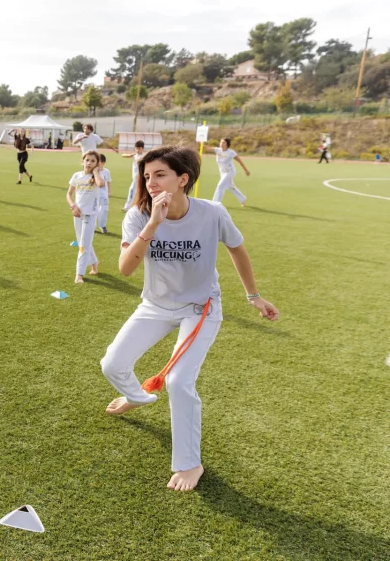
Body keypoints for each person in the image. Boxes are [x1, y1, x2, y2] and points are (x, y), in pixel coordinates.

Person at [100, 146, 279, 492]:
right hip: (155, 305)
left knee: (179, 382)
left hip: (200, 307)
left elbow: (237, 249)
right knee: (111, 364)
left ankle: (189, 463)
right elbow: (125, 269)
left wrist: (254, 297)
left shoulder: (212, 213)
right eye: (147, 175)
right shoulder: (138, 215)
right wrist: (153, 222)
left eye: (160, 174)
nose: (150, 182)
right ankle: (137, 396)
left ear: (183, 179)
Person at [67, 152, 105, 282]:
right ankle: (94, 263)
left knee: (83, 244)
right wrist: (73, 206)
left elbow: (100, 184)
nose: (89, 163)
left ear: (97, 164)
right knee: (84, 243)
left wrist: (95, 172)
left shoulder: (97, 176)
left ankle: (79, 275)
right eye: (87, 160)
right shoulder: (76, 175)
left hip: (90, 215)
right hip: (77, 214)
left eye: (92, 161)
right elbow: (69, 194)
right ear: (82, 161)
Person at [205, 138, 249, 206]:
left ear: (227, 144)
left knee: (220, 186)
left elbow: (239, 161)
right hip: (222, 172)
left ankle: (215, 203)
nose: (221, 144)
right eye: (221, 142)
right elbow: (206, 148)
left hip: (229, 172)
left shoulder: (231, 152)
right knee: (231, 187)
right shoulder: (218, 150)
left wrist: (245, 170)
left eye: (223, 143)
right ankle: (243, 199)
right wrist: (200, 143)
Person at [121, 140, 144, 212]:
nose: (137, 150)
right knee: (137, 192)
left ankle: (127, 206)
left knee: (132, 191)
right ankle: (137, 205)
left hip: (138, 177)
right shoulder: (135, 155)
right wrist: (131, 155)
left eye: (139, 148)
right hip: (135, 177)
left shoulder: (142, 156)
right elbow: (123, 155)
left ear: (142, 148)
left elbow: (139, 160)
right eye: (136, 148)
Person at [97, 154, 112, 234]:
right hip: (94, 194)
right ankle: (90, 225)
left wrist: (108, 191)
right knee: (93, 209)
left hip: (103, 193)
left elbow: (108, 181)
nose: (97, 164)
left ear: (103, 163)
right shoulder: (93, 171)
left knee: (105, 209)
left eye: (99, 162)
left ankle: (102, 225)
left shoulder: (106, 171)